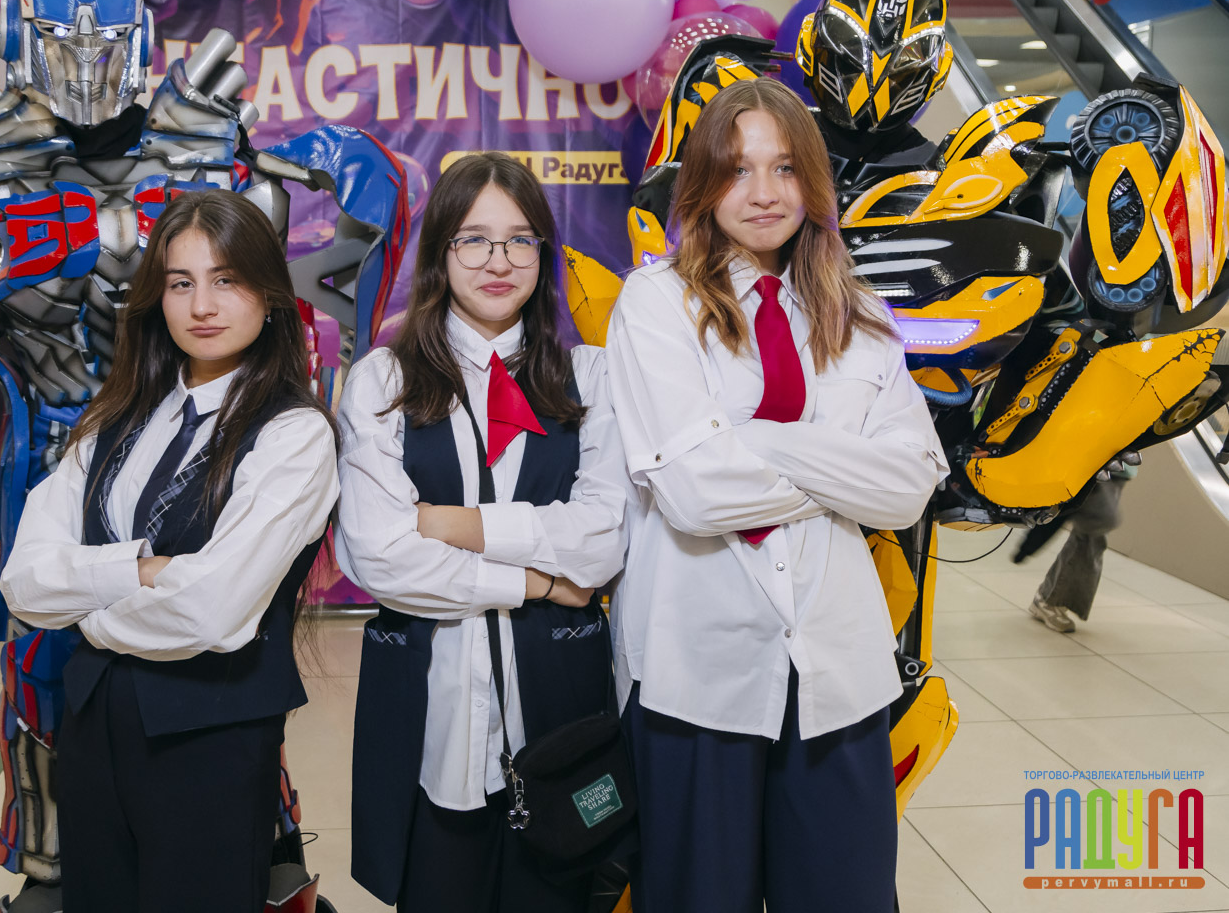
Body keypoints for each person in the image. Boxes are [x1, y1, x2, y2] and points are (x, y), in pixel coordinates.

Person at [604, 78, 947, 912]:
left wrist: (754, 439)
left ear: (814, 182)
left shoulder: (858, 314)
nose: (763, 192)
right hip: (697, 673)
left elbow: (908, 487)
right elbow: (695, 493)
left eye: (785, 167)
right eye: (738, 169)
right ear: (702, 184)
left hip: (838, 670)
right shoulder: (656, 303)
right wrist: (842, 477)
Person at [0, 190, 339, 913]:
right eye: (181, 283)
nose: (202, 306)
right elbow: (24, 584)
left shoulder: (294, 435)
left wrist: (88, 603)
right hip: (92, 726)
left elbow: (212, 612)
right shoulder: (113, 419)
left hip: (210, 737)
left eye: (227, 280)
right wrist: (140, 570)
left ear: (270, 296)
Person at [336, 152, 630, 913]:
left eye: (519, 240)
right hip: (433, 718)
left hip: (562, 712)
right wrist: (536, 581)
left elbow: (602, 541)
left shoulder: (591, 377)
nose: (498, 261)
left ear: (543, 253)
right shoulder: (384, 382)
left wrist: (450, 523)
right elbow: (379, 557)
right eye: (473, 239)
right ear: (440, 252)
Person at [1021, 463, 1136, 632]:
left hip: (1119, 467)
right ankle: (1048, 600)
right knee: (1094, 529)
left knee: (1092, 536)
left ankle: (1050, 599)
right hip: (1100, 464)